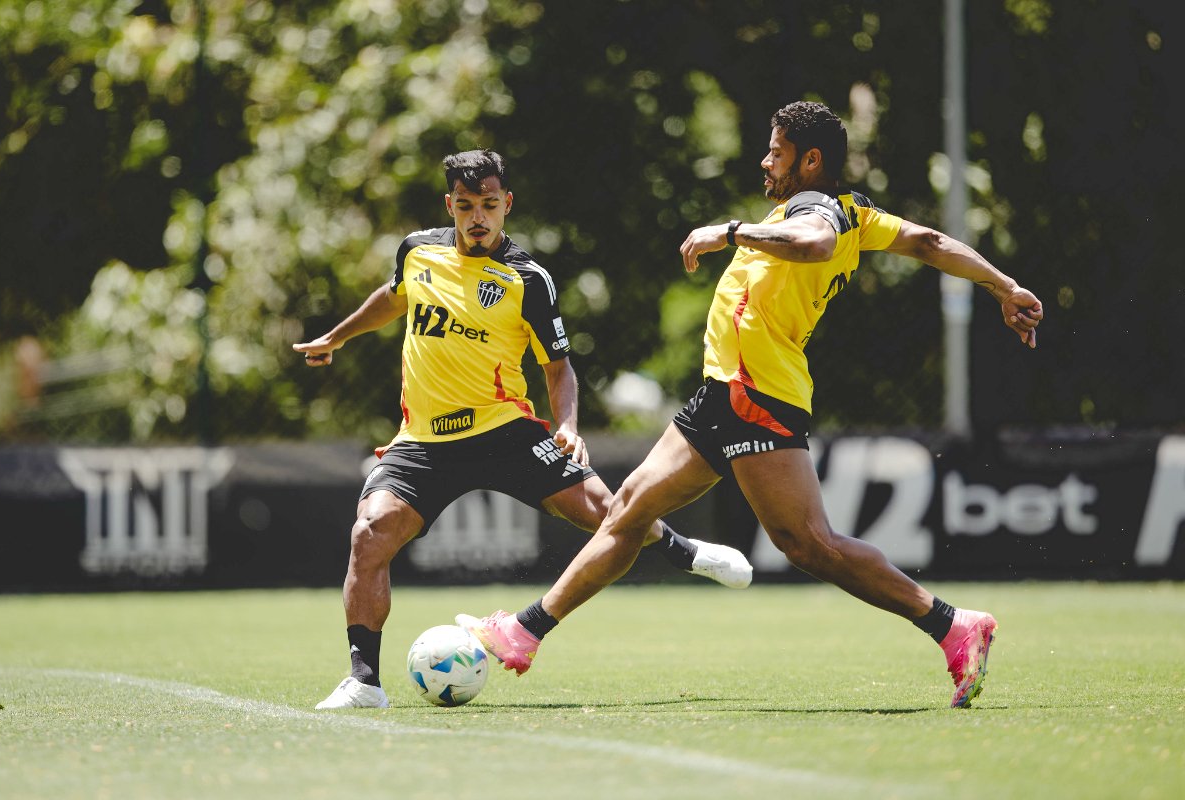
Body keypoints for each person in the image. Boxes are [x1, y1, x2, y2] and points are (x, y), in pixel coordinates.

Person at [459, 102, 1044, 709]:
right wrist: (1004, 287)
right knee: (629, 508)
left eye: (776, 151)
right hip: (725, 392)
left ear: (810, 160)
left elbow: (815, 244)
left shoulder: (814, 212)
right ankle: (523, 632)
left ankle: (952, 626)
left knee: (808, 544)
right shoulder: (855, 212)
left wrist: (731, 231)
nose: (766, 161)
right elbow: (928, 240)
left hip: (756, 395)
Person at [293, 149, 753, 710]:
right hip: (425, 442)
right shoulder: (418, 251)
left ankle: (683, 551)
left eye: (489, 205)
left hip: (504, 431)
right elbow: (393, 297)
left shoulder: (528, 279)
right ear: (450, 206)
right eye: (466, 206)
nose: (478, 217)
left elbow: (558, 367)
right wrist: (337, 337)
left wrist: (568, 425)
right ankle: (364, 682)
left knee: (608, 513)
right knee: (369, 534)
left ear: (506, 204)